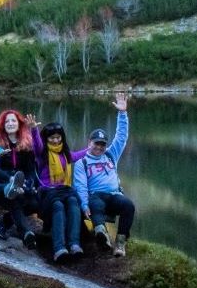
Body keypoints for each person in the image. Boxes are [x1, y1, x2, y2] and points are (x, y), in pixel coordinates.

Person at [73, 92, 133, 257]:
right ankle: (102, 234)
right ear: (89, 143)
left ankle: (120, 243)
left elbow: (121, 137)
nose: (99, 147)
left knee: (128, 206)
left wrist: (122, 113)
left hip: (113, 195)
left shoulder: (110, 155)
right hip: (95, 197)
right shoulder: (82, 163)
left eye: (102, 144)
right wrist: (84, 205)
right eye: (96, 144)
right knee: (96, 204)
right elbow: (81, 186)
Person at [0, 109, 41, 249]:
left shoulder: (26, 144)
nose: (10, 123)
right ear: (2, 125)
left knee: (35, 203)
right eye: (7, 121)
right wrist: (11, 180)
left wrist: (28, 183)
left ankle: (3, 222)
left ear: (19, 124)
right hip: (2, 185)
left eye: (13, 120)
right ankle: (26, 233)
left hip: (22, 184)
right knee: (14, 198)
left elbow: (30, 170)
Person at [33, 121, 85, 264]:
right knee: (58, 206)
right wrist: (34, 129)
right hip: (47, 192)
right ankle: (59, 248)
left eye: (58, 137)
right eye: (52, 138)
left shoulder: (65, 154)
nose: (55, 140)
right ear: (46, 138)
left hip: (64, 190)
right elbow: (37, 145)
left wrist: (93, 148)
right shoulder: (42, 154)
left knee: (73, 202)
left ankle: (74, 244)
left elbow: (78, 155)